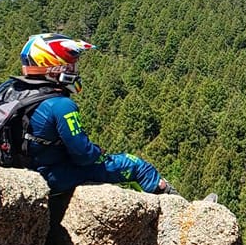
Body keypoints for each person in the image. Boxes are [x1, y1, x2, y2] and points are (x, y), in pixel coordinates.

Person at [12, 32, 174, 195]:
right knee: (137, 166)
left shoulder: (11, 89)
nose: (75, 70)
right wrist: (98, 151)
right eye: (71, 65)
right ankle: (171, 205)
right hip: (51, 176)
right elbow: (84, 155)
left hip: (20, 169)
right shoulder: (61, 105)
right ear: (56, 68)